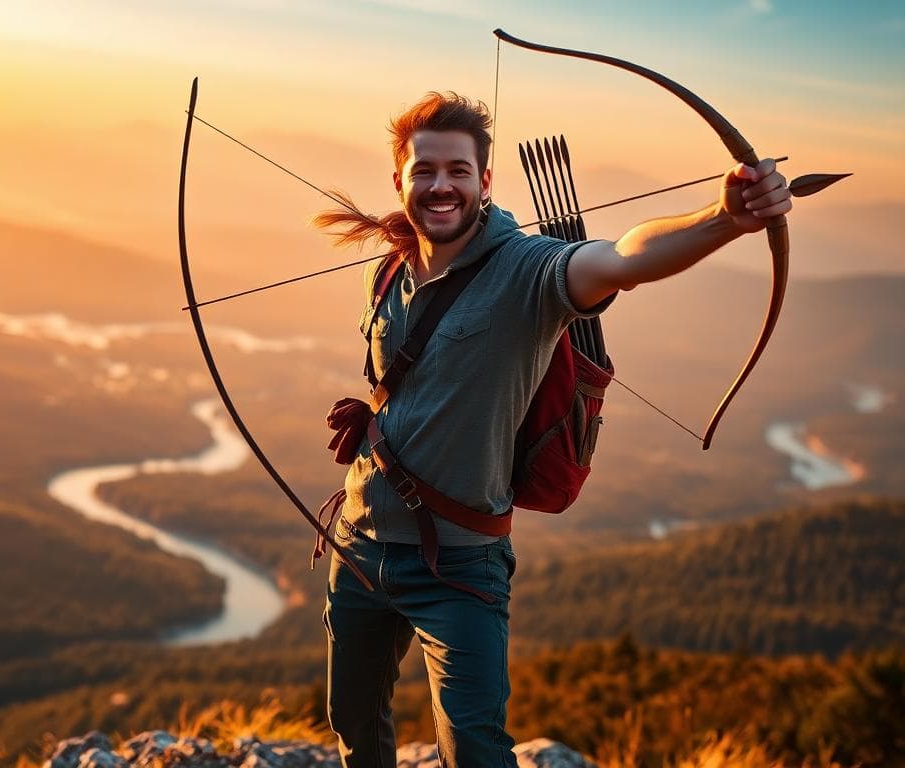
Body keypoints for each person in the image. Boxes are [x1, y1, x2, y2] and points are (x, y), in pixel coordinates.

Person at [312, 92, 790, 768]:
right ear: (400, 181)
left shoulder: (528, 271)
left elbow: (623, 258)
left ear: (484, 182)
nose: (440, 185)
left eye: (458, 170)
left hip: (459, 565)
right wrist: (380, 417)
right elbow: (414, 377)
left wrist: (726, 217)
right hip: (359, 544)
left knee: (476, 749)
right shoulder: (387, 265)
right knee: (355, 723)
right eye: (424, 171)